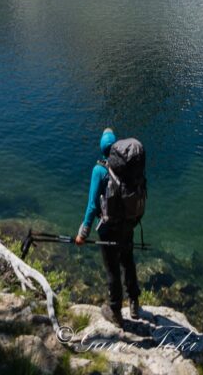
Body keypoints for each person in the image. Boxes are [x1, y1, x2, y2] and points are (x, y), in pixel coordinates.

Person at [75, 127, 140, 328]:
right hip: (128, 224)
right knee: (128, 262)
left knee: (112, 269)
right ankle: (134, 304)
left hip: (108, 228)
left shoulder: (99, 170)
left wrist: (83, 233)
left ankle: (115, 312)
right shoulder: (128, 166)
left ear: (102, 148)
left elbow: (93, 205)